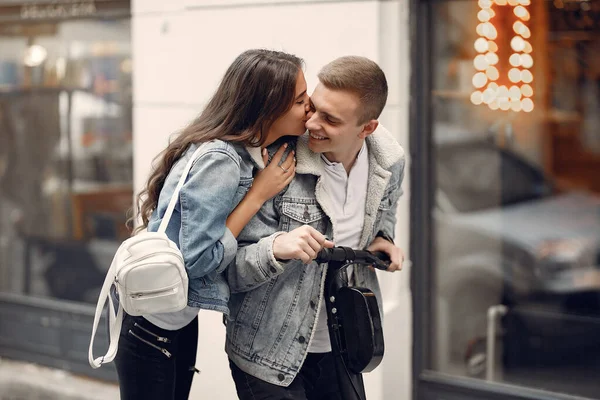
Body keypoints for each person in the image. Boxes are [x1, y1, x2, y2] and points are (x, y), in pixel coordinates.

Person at [114, 49, 310, 400]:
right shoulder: (221, 159)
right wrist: (256, 197)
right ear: (268, 107)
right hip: (153, 329)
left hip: (173, 322)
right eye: (299, 100)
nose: (309, 108)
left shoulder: (236, 151)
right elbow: (198, 260)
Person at [225, 55, 406, 400]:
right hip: (268, 352)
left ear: (368, 128)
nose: (312, 123)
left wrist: (383, 237)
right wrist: (276, 247)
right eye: (313, 107)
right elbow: (230, 270)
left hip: (345, 345)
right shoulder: (275, 164)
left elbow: (386, 211)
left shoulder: (390, 161)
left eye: (331, 119)